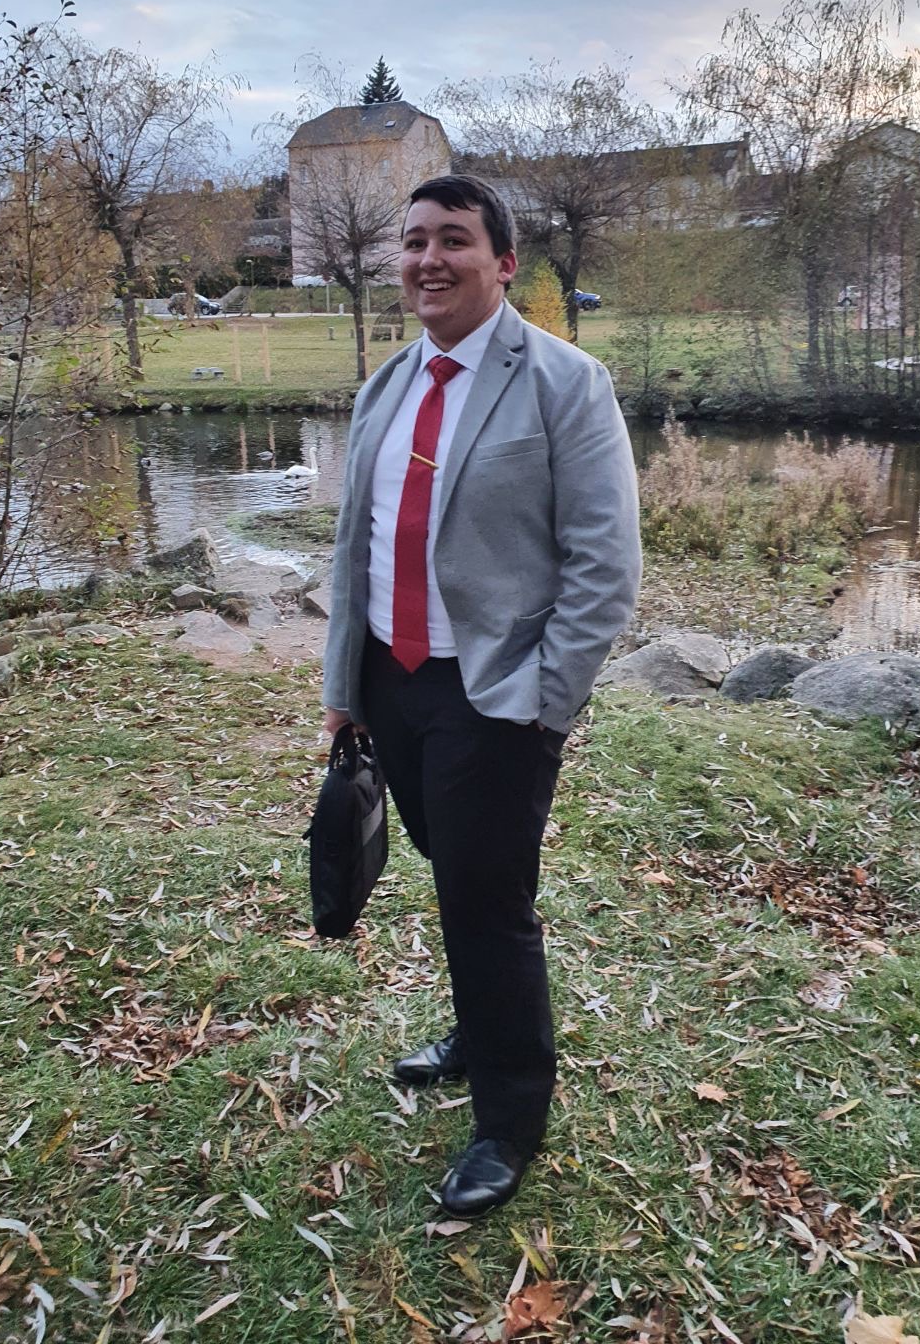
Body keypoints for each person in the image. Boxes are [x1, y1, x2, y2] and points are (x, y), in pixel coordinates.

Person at [322, 174, 641, 1217]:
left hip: (495, 693)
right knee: (449, 865)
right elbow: (356, 547)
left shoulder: (565, 383)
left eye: (453, 239)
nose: (429, 259)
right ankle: (480, 1024)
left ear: (503, 263)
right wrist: (344, 685)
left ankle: (509, 1118)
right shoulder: (386, 386)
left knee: (487, 899)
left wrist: (547, 699)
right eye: (414, 240)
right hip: (392, 680)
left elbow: (605, 567)